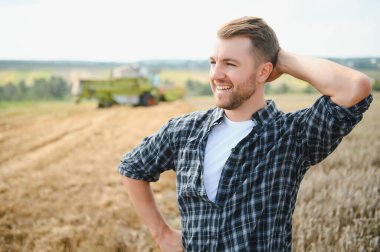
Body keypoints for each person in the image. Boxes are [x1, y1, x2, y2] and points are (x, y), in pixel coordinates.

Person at [118, 16, 372, 251]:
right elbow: (133, 168)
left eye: (230, 64)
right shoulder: (184, 131)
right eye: (213, 62)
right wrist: (161, 233)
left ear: (263, 71)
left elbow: (354, 87)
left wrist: (281, 59)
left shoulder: (292, 135)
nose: (216, 74)